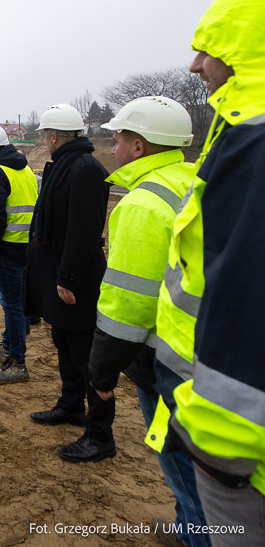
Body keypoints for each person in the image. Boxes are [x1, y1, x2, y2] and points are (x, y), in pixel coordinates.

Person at [145, 0, 265, 544]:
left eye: (210, 45)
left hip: (238, 449)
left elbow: (245, 299)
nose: (195, 65)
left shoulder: (254, 143)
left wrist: (218, 447)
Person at [87, 96, 208, 547]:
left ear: (139, 147)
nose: (112, 148)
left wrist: (101, 372)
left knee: (184, 471)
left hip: (167, 360)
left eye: (117, 140)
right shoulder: (197, 180)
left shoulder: (142, 204)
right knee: (206, 469)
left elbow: (127, 306)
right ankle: (185, 529)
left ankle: (193, 533)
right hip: (210, 350)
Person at [26, 103, 114, 463]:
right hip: (59, 274)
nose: (45, 141)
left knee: (86, 353)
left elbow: (84, 230)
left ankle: (100, 435)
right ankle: (70, 405)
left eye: (45, 135)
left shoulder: (85, 170)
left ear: (53, 136)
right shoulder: (65, 165)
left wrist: (68, 278)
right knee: (63, 341)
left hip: (74, 277)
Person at [0, 124, 38, 384]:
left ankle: (16, 361)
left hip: (7, 247)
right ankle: (8, 345)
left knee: (11, 304)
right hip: (27, 245)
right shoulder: (23, 169)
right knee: (17, 301)